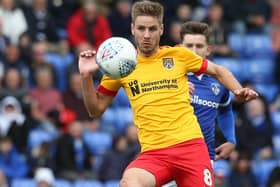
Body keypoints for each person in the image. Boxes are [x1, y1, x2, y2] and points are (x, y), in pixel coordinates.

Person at [78, 1, 258, 187]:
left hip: (191, 148)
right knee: (130, 183)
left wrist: (237, 89)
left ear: (161, 29)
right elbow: (95, 110)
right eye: (141, 28)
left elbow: (218, 70)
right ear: (132, 28)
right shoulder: (121, 66)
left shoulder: (178, 55)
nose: (146, 35)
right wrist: (85, 76)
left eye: (152, 29)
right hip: (154, 154)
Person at [163, 20, 237, 187]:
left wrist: (231, 140)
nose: (194, 51)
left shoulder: (218, 80)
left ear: (208, 49)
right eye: (189, 46)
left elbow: (225, 110)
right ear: (179, 47)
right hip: (168, 154)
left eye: (199, 46)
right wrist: (174, 90)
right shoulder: (167, 74)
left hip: (204, 157)